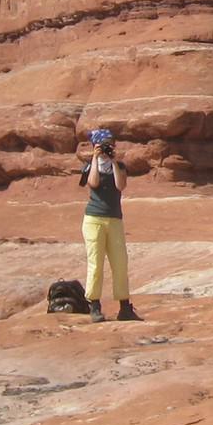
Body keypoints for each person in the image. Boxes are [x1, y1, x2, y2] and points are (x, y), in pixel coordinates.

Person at [80, 128, 141, 321]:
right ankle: (94, 305)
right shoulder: (90, 165)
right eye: (105, 144)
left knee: (120, 263)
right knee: (95, 263)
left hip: (114, 219)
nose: (109, 147)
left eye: (110, 144)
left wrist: (113, 161)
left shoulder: (120, 166)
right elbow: (93, 183)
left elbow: (120, 185)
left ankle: (125, 307)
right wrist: (95, 159)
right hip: (94, 219)